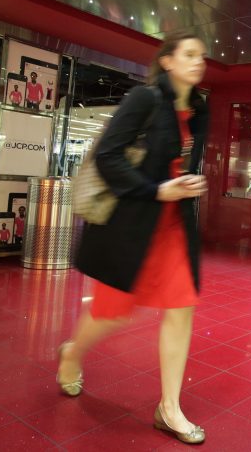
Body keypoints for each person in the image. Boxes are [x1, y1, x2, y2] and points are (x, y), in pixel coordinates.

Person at [57, 31, 209, 444]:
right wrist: (157, 189)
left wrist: (189, 183)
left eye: (203, 57)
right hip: (133, 224)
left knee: (182, 307)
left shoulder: (197, 110)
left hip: (174, 226)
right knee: (112, 310)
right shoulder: (145, 99)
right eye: (190, 54)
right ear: (167, 62)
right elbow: (108, 155)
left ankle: (169, 408)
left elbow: (178, 162)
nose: (199, 62)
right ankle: (72, 352)